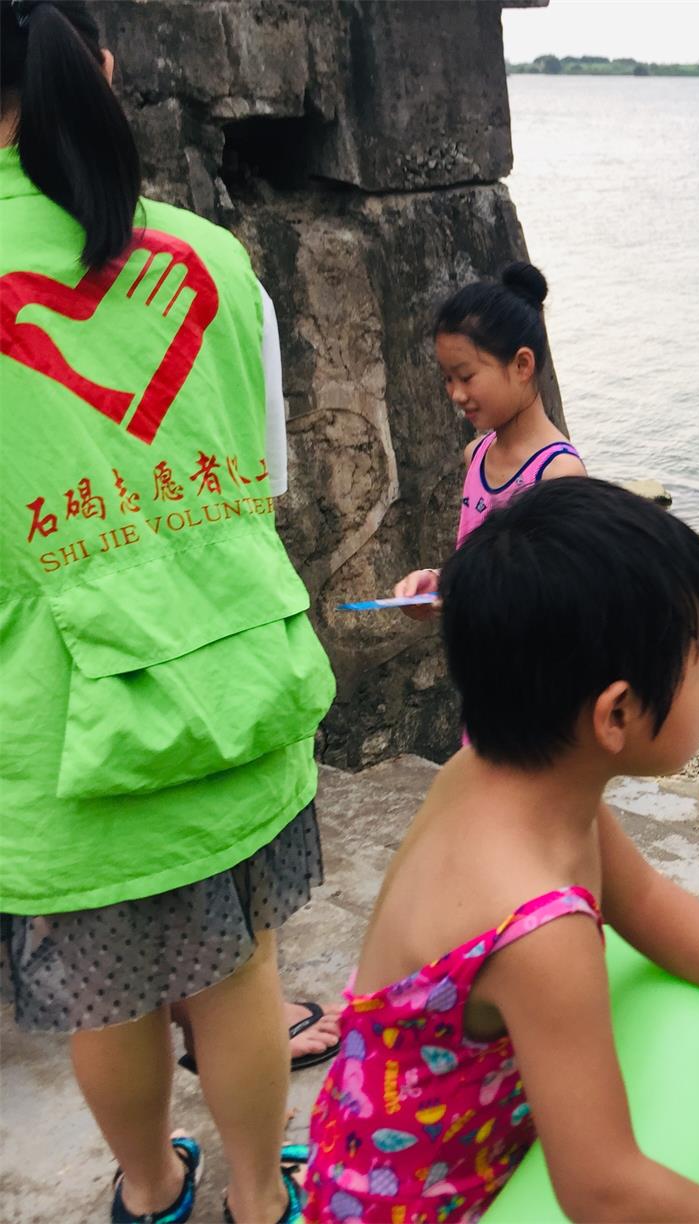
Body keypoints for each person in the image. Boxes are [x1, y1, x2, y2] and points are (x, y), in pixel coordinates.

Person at [304, 479, 699, 1223]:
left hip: (376, 1142)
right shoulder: (540, 932)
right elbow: (602, 1189)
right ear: (616, 713)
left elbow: (639, 898)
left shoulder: (505, 779)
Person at [0, 2, 338, 1221]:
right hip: (240, 679)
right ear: (98, 71)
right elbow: (264, 473)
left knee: (110, 997)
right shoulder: (210, 255)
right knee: (243, 970)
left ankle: (152, 1194)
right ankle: (263, 1201)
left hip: (65, 733)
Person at [392, 263, 584, 621]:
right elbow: (481, 563)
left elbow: (563, 595)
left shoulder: (559, 472)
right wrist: (440, 582)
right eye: (447, 378)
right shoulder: (476, 455)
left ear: (522, 366)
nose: (456, 394)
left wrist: (473, 597)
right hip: (481, 662)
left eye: (466, 376)